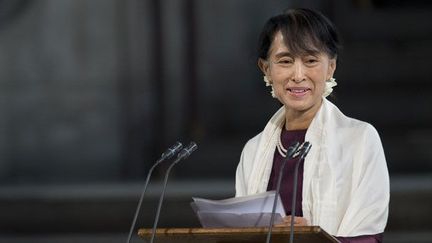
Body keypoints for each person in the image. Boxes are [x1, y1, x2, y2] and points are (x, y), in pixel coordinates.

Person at [235, 8, 389, 242]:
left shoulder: (360, 139)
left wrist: (311, 237)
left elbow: (367, 236)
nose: (298, 75)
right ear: (266, 68)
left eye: (310, 61)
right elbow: (239, 235)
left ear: (331, 67)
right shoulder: (253, 150)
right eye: (285, 61)